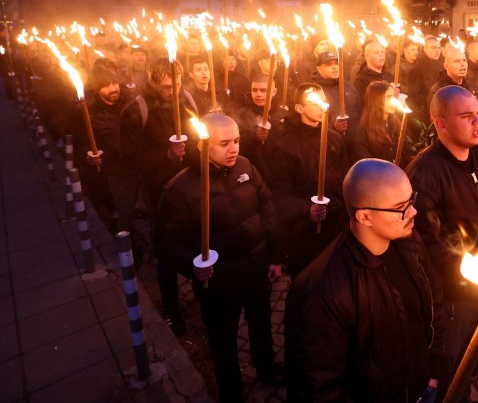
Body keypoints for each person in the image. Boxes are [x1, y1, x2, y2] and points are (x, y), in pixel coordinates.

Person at [285, 158, 446, 402]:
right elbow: (318, 388)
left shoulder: (410, 243)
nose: (414, 212)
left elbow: (434, 303)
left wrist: (432, 372)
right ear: (365, 217)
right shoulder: (323, 292)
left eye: (411, 200)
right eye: (401, 207)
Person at [155, 113, 287, 403]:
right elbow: (166, 242)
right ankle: (231, 390)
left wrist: (276, 257)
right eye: (224, 143)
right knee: (222, 338)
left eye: (237, 140)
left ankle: (265, 365)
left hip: (255, 268)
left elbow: (268, 211)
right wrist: (192, 265)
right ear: (203, 145)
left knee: (261, 321)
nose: (234, 149)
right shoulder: (180, 188)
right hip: (219, 282)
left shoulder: (246, 167)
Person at [406, 85, 478, 400]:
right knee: (453, 368)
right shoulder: (423, 174)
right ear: (441, 123)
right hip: (453, 299)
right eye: (466, 116)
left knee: (476, 354)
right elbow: (430, 250)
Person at [121, 57, 198, 335]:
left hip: (191, 185)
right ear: (153, 82)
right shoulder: (136, 110)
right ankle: (171, 309)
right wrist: (166, 155)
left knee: (196, 239)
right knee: (166, 250)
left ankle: (201, 293)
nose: (172, 91)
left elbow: (197, 133)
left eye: (177, 84)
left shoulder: (187, 100)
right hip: (159, 192)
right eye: (166, 86)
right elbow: (131, 160)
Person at [271, 83, 349, 276]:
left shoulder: (334, 139)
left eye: (323, 100)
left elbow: (344, 176)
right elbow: (281, 194)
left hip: (337, 223)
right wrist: (307, 209)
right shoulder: (286, 147)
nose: (321, 105)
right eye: (314, 102)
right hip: (305, 232)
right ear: (299, 108)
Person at [85, 65, 145, 263]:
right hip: (118, 170)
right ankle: (130, 249)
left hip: (141, 163)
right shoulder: (91, 113)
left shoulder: (132, 103)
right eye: (106, 85)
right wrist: (89, 156)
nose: (113, 88)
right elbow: (85, 142)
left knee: (149, 204)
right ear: (97, 89)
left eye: (114, 83)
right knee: (125, 210)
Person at [232, 74, 289, 185]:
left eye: (263, 90)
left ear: (274, 92)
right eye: (254, 90)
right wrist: (255, 138)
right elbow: (237, 148)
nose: (258, 94)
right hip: (255, 174)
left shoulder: (284, 115)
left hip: (281, 174)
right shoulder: (242, 116)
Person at [349, 81, 412, 165]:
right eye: (388, 97)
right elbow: (366, 164)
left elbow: (406, 151)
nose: (394, 101)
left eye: (394, 96)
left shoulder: (396, 123)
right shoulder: (363, 132)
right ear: (376, 99)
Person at [311, 51, 363, 138]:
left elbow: (361, 111)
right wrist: (334, 128)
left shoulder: (348, 86)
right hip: (332, 142)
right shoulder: (315, 92)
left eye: (336, 63)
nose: (334, 67)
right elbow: (313, 124)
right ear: (319, 69)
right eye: (329, 65)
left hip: (354, 140)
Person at [425, 47, 478, 117]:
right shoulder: (438, 90)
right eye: (457, 61)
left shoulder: (470, 86)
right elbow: (437, 118)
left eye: (464, 60)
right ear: (446, 66)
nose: (462, 64)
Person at [407, 36, 444, 126]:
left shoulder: (442, 63)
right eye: (433, 48)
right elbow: (415, 97)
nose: (437, 51)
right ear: (425, 49)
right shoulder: (416, 68)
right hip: (427, 114)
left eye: (439, 48)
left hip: (442, 108)